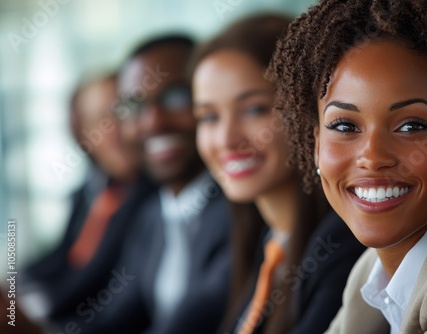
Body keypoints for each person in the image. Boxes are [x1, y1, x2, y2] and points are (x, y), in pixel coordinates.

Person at [267, 0, 427, 333]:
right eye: (345, 126)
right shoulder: (371, 273)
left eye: (411, 126)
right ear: (317, 145)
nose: (373, 157)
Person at [191, 14, 365, 334]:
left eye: (255, 109)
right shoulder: (261, 242)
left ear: (309, 110)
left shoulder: (344, 247)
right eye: (209, 117)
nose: (226, 139)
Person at [66, 34, 232, 334]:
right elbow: (115, 317)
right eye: (135, 105)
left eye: (177, 97)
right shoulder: (150, 216)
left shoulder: (239, 211)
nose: (153, 121)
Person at [18, 73, 152, 333]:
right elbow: (64, 258)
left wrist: (31, 315)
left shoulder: (149, 200)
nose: (115, 132)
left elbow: (100, 292)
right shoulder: (92, 191)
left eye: (121, 113)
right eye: (100, 122)